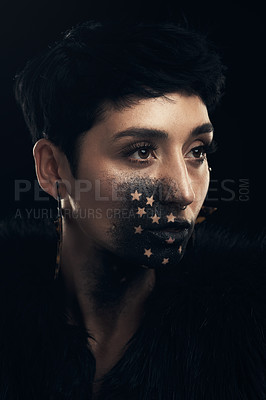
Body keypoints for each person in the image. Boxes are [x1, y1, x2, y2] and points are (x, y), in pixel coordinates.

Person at [1, 20, 266, 399]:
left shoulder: (250, 335)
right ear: (53, 168)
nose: (184, 192)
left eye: (197, 151)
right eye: (141, 151)